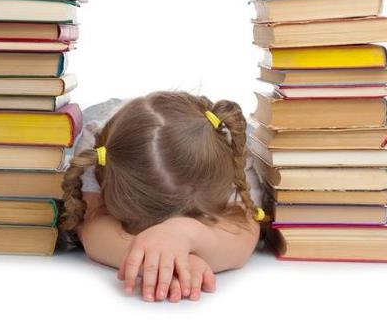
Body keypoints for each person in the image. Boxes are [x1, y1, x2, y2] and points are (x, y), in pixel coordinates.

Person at [58, 91, 264, 303]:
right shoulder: (97, 147)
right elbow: (92, 228)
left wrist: (185, 234)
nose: (163, 242)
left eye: (196, 218)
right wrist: (163, 262)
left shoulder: (232, 148)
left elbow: (245, 232)